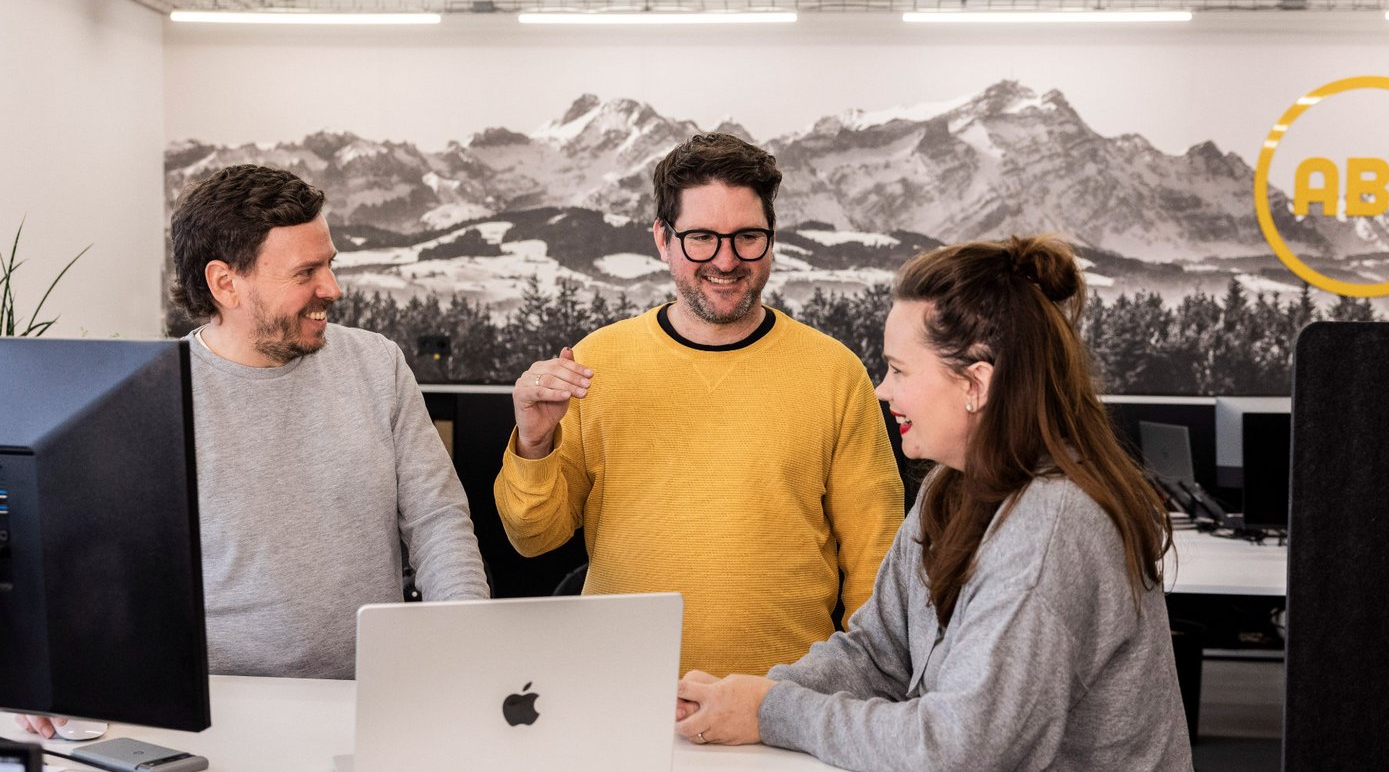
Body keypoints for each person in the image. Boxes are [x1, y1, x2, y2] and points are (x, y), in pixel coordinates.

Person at [674, 236, 1204, 772]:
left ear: (975, 384)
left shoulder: (1052, 532)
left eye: (898, 369)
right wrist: (738, 699)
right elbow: (880, 651)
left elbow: (964, 746)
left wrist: (775, 712)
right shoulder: (952, 491)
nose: (881, 387)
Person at [17, 165, 489, 738]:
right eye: (305, 272)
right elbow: (92, 567)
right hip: (216, 712)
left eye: (330, 263)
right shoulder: (149, 395)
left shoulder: (378, 365)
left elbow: (438, 523)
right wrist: (46, 665)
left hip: (367, 700)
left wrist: (467, 648)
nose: (332, 288)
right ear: (225, 284)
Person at [494, 133, 904, 677]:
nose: (727, 260)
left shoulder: (834, 373)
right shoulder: (597, 363)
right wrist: (535, 441)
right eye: (703, 238)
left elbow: (876, 560)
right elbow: (533, 536)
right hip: (620, 691)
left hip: (785, 705)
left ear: (773, 238)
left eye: (748, 237)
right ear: (663, 239)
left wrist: (863, 691)